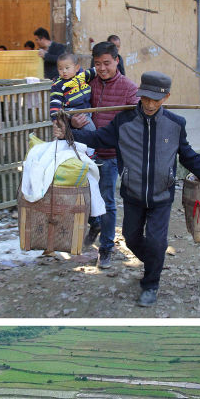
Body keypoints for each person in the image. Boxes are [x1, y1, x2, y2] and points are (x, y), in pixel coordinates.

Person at [55, 71, 200, 306]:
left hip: (161, 194)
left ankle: (150, 284)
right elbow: (98, 138)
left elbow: (188, 155)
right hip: (133, 193)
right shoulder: (124, 122)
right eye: (146, 98)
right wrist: (69, 133)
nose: (150, 104)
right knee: (131, 238)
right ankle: (154, 262)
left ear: (166, 97)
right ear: (139, 95)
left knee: (156, 241)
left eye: (156, 99)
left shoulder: (176, 124)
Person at [69, 41, 138, 270]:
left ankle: (106, 248)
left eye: (106, 63)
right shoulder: (87, 84)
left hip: (110, 154)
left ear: (117, 61)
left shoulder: (129, 88)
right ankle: (95, 224)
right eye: (97, 64)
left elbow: (137, 119)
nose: (102, 68)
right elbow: (72, 106)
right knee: (85, 196)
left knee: (107, 201)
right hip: (85, 152)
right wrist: (73, 121)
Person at [50, 52, 104, 242]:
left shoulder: (82, 76)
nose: (64, 72)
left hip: (86, 113)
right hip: (71, 115)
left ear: (76, 67)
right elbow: (55, 105)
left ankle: (94, 222)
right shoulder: (58, 85)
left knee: (90, 131)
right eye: (60, 69)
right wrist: (58, 120)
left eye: (67, 68)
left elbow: (96, 71)